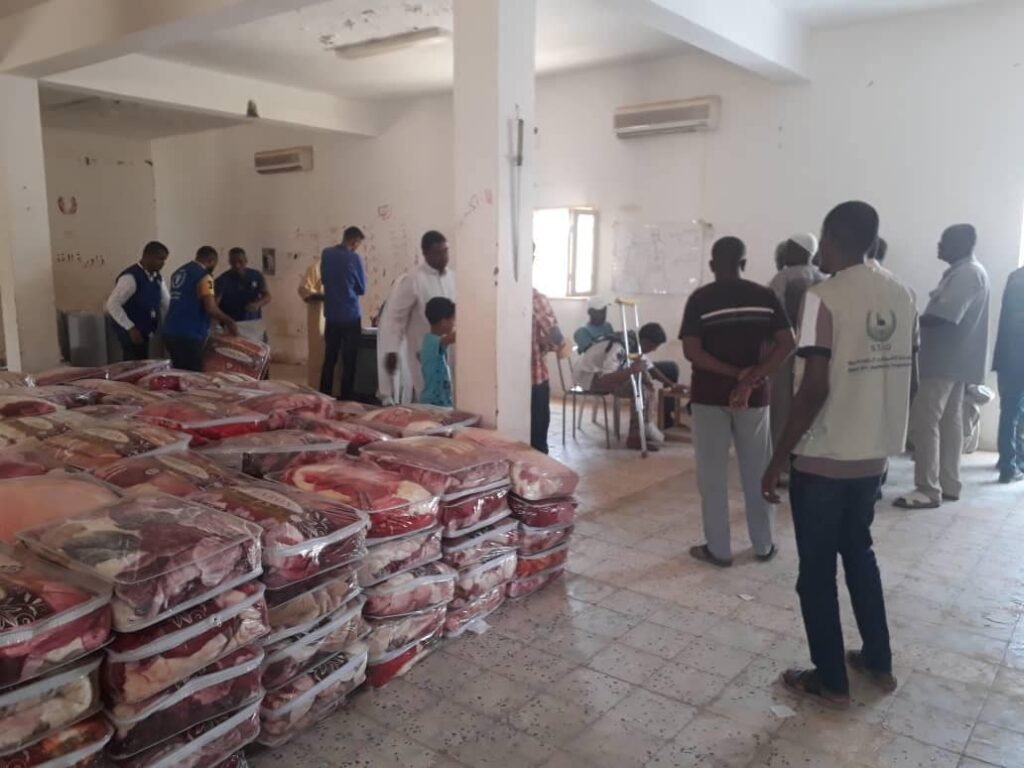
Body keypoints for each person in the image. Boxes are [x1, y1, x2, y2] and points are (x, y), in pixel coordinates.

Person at [763, 201, 917, 710]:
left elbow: (813, 388)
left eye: (823, 240)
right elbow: (910, 380)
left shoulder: (823, 298)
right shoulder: (901, 293)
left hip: (825, 458)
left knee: (815, 573)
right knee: (859, 554)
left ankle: (830, 679)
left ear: (831, 238)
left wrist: (777, 459)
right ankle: (877, 659)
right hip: (873, 457)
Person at [681, 236, 795, 567]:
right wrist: (751, 378)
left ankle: (719, 550)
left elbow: (692, 351)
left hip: (708, 396)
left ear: (712, 265)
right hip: (755, 398)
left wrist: (735, 375)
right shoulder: (765, 296)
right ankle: (764, 545)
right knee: (758, 471)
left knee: (712, 476)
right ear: (744, 263)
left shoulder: (700, 299)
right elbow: (788, 343)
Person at [896, 224, 990, 509]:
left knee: (925, 421)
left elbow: (945, 316)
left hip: (943, 361)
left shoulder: (967, 274)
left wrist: (907, 318)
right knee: (950, 422)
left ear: (963, 243)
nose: (939, 245)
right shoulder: (966, 272)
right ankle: (949, 483)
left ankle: (927, 488)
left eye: (945, 241)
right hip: (953, 361)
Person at [377, 231, 455, 404]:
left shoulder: (453, 278)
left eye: (445, 251)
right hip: (424, 354)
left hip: (451, 354)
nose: (444, 257)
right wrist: (391, 350)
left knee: (451, 399)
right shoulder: (413, 280)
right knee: (429, 400)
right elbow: (395, 319)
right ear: (426, 254)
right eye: (438, 253)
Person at [768, 233, 825, 457]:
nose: (785, 253)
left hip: (786, 349)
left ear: (804, 251)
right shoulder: (824, 278)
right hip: (818, 351)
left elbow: (774, 314)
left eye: (790, 248)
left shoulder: (783, 278)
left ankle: (780, 456)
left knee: (781, 404)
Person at [575, 323, 669, 451]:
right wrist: (631, 370)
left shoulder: (634, 344)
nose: (654, 350)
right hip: (589, 378)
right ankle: (634, 437)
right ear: (646, 341)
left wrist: (672, 385)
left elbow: (651, 369)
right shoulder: (620, 347)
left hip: (602, 374)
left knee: (644, 378)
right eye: (653, 347)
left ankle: (645, 425)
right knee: (639, 389)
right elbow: (607, 378)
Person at [162, 245, 238, 371]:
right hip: (189, 334)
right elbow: (211, 308)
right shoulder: (204, 277)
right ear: (212, 261)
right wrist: (229, 321)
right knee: (193, 375)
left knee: (179, 373)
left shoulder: (178, 272)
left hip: (169, 331)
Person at [319, 227, 367, 399]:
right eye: (358, 244)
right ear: (354, 241)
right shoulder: (354, 258)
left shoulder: (326, 254)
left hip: (331, 315)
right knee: (349, 361)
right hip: (350, 316)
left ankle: (324, 394)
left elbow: (324, 280)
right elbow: (362, 288)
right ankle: (346, 397)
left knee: (329, 358)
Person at [105, 240, 170, 361]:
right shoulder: (131, 277)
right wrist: (130, 328)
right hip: (131, 331)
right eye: (160, 259)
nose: (163, 263)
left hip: (146, 330)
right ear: (148, 257)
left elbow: (166, 302)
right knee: (132, 363)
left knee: (142, 361)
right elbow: (112, 304)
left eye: (164, 260)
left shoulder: (157, 278)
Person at [993, 266, 1024, 483]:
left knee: (1010, 413)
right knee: (1015, 414)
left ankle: (1008, 460)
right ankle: (1010, 465)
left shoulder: (1015, 276)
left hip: (1007, 358)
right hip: (1018, 358)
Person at [531, 287, 564, 454]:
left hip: (507, 379)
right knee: (538, 433)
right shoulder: (535, 298)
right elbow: (554, 333)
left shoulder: (497, 293)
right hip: (535, 377)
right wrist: (561, 344)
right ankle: (538, 466)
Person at [215, 248, 271, 324]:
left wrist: (257, 304)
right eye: (233, 262)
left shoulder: (256, 275)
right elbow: (214, 306)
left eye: (240, 261)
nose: (237, 265)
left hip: (252, 321)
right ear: (229, 262)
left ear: (246, 260)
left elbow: (267, 296)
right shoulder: (221, 280)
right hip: (230, 323)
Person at [419, 297, 455, 407]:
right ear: (444, 322)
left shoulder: (429, 341)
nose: (454, 323)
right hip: (433, 402)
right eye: (452, 319)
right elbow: (452, 338)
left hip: (441, 400)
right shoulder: (433, 342)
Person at [298, 257, 324, 389]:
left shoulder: (343, 267)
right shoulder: (316, 268)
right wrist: (327, 296)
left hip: (338, 317)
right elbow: (303, 290)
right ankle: (315, 387)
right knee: (318, 354)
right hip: (319, 316)